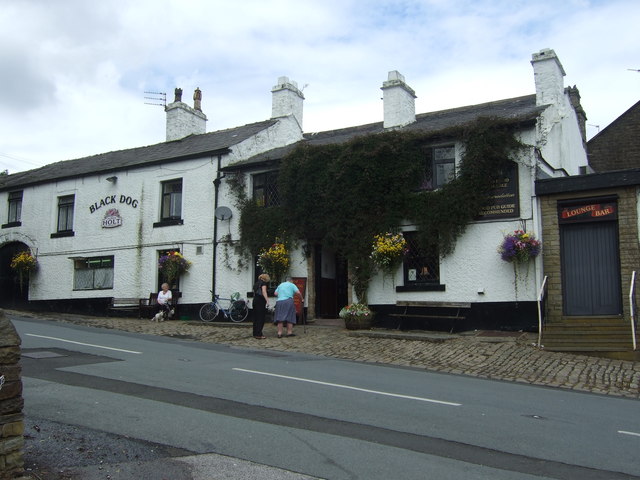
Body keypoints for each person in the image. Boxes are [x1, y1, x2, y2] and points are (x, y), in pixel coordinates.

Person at [252, 273, 270, 339]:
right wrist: (267, 300)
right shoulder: (263, 283)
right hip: (260, 301)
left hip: (255, 300)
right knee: (261, 317)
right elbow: (264, 292)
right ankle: (259, 334)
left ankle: (255, 333)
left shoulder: (256, 283)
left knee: (255, 317)